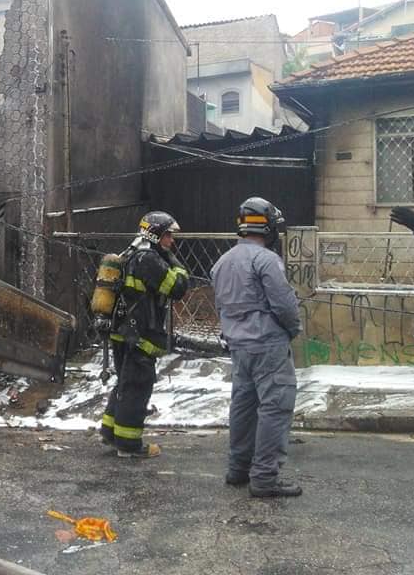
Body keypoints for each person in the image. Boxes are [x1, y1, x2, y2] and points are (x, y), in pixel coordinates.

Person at [211, 197, 302, 497]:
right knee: (275, 408)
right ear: (268, 227)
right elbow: (284, 305)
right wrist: (293, 329)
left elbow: (222, 306)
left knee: (243, 406)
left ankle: (238, 469)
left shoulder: (222, 262)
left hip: (239, 346)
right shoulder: (266, 260)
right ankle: (264, 478)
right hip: (268, 346)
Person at [100, 212, 189, 458]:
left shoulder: (131, 254)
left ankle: (110, 432)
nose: (171, 240)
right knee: (137, 387)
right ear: (156, 235)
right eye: (168, 235)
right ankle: (129, 445)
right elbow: (178, 288)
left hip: (123, 332)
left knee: (125, 383)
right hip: (139, 336)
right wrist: (173, 260)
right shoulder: (148, 259)